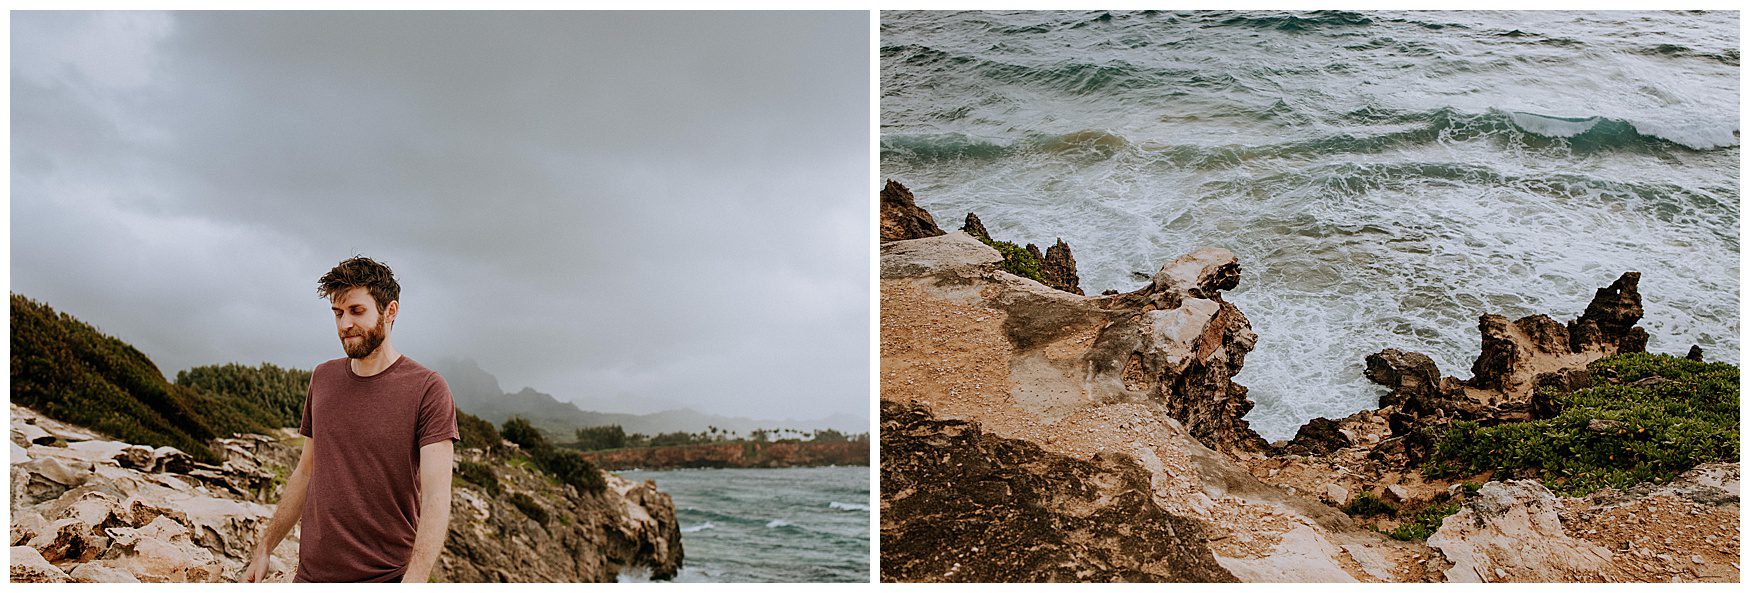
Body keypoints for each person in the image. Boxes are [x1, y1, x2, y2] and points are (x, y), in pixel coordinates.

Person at [244, 256, 460, 583]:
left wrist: (414, 582)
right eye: (338, 313)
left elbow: (436, 497)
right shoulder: (323, 377)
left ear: (390, 312)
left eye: (356, 311)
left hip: (384, 577)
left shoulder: (428, 389)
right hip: (311, 577)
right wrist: (265, 548)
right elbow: (305, 472)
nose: (344, 324)